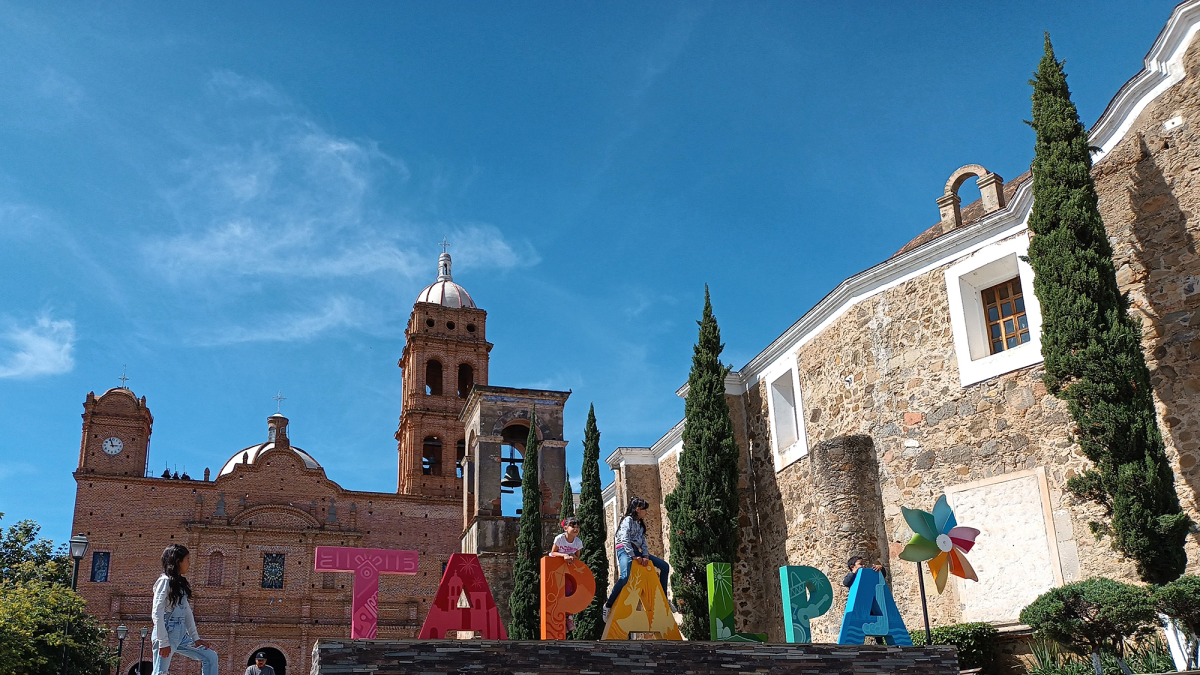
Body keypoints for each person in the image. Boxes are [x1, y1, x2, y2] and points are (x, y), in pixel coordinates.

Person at [152, 544, 218, 675]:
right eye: (187, 559)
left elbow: (187, 612)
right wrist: (163, 641)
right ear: (178, 561)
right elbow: (157, 612)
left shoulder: (180, 584)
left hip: (182, 634)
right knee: (161, 672)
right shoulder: (164, 581)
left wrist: (195, 637)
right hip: (167, 631)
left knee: (210, 657)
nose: (189, 563)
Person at [602, 497, 671, 620]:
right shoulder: (627, 520)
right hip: (624, 550)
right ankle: (608, 605)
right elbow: (624, 540)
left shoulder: (639, 523)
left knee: (664, 566)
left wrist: (645, 555)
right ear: (638, 509)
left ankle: (664, 598)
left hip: (636, 551)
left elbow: (642, 541)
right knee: (624, 577)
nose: (646, 512)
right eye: (645, 510)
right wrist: (633, 556)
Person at [550, 516, 584, 631]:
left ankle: (569, 617)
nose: (575, 529)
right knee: (557, 593)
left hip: (568, 571)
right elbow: (553, 552)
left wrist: (573, 557)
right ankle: (557, 618)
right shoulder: (559, 539)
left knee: (569, 592)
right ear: (565, 528)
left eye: (577, 527)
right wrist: (564, 555)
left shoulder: (578, 542)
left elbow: (578, 556)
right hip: (556, 569)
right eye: (572, 526)